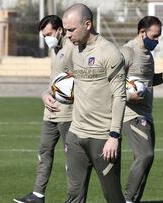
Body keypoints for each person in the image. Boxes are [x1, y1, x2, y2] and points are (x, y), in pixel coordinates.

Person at [62, 3, 127, 203]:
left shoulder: (109, 53)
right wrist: (47, 94)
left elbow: (119, 96)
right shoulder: (73, 50)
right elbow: (66, 79)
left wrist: (114, 136)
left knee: (113, 197)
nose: (67, 35)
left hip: (103, 138)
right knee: (73, 195)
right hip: (75, 136)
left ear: (87, 24)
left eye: (71, 30)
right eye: (65, 30)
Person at [119, 16, 163, 203]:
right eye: (154, 36)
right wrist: (128, 95)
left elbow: (148, 81)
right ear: (142, 32)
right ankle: (127, 199)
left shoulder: (148, 54)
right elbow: (111, 82)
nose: (156, 41)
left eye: (159, 37)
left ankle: (133, 199)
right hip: (131, 114)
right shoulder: (127, 52)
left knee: (146, 160)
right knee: (145, 155)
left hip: (146, 113)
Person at [13, 15, 73, 203]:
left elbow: (77, 82)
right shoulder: (54, 50)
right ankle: (38, 195)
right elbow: (54, 80)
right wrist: (44, 95)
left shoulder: (72, 49)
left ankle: (74, 198)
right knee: (44, 152)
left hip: (68, 114)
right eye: (44, 35)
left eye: (49, 34)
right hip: (50, 113)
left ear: (60, 30)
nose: (47, 38)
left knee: (72, 158)